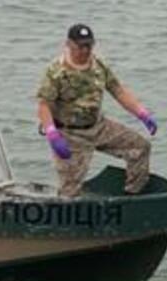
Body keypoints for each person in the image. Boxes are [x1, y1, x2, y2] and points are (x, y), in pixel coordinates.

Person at [35, 23, 156, 197]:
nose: (85, 50)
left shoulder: (99, 64)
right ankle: (68, 218)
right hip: (70, 135)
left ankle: (131, 198)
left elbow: (118, 90)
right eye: (81, 46)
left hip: (98, 127)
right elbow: (44, 105)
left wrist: (142, 114)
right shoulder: (56, 71)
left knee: (140, 147)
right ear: (69, 44)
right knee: (69, 191)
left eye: (89, 45)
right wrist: (52, 134)